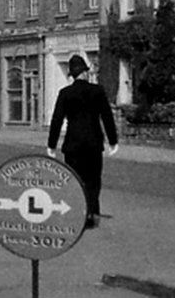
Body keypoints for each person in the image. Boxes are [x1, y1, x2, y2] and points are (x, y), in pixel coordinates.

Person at [47, 54, 118, 229]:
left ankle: (77, 212)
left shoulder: (65, 93)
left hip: (73, 144)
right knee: (93, 179)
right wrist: (113, 141)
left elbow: (57, 120)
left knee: (74, 179)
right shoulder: (97, 91)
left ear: (72, 74)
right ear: (85, 73)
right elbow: (107, 117)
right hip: (93, 143)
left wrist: (51, 144)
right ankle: (91, 212)